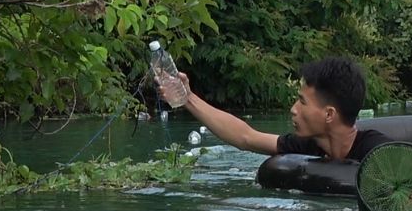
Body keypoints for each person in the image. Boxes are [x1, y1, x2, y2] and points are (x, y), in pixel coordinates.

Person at [159, 56, 391, 161]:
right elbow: (246, 137)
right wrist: (187, 98)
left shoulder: (379, 153)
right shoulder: (307, 145)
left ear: (329, 114)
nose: (293, 109)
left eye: (302, 101)